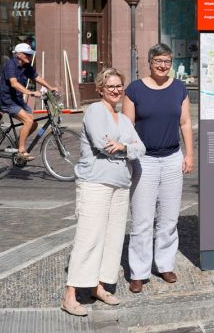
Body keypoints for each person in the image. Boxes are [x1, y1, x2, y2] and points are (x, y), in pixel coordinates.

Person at [61, 68, 146, 317]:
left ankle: (98, 286)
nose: (116, 90)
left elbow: (141, 148)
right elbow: (102, 144)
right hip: (95, 182)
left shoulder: (124, 120)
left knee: (113, 239)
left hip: (120, 184)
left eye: (119, 86)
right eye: (111, 86)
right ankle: (70, 295)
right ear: (100, 89)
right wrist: (126, 147)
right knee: (88, 238)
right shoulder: (95, 111)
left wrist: (123, 146)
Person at [123, 43, 194, 294]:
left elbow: (185, 123)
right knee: (142, 220)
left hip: (172, 158)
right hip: (145, 161)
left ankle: (165, 265)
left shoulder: (179, 88)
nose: (163, 66)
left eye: (167, 61)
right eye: (158, 61)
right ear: (150, 62)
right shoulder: (135, 89)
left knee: (169, 218)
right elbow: (127, 127)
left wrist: (189, 154)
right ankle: (138, 272)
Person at [0, 43, 57, 160]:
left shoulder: (26, 66)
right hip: (8, 101)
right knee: (28, 121)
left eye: (31, 55)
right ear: (19, 55)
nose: (30, 57)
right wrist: (30, 92)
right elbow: (14, 83)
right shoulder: (11, 65)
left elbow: (37, 78)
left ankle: (16, 144)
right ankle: (21, 150)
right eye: (28, 54)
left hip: (18, 100)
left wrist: (50, 87)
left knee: (33, 124)